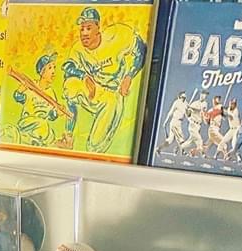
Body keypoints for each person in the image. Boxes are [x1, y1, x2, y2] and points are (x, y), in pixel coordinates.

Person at [60, 6, 147, 154]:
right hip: (94, 90)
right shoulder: (78, 49)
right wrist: (84, 76)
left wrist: (129, 76)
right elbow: (68, 66)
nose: (84, 33)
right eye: (82, 29)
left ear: (98, 27)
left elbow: (141, 49)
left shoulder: (116, 35)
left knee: (94, 146)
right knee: (70, 85)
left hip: (113, 94)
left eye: (88, 28)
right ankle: (68, 137)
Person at [14, 52, 62, 147]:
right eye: (49, 68)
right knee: (42, 125)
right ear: (42, 72)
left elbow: (51, 116)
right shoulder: (31, 85)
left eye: (54, 68)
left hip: (41, 128)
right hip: (27, 123)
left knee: (50, 134)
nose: (53, 71)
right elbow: (18, 98)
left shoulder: (51, 93)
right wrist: (19, 91)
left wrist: (56, 112)